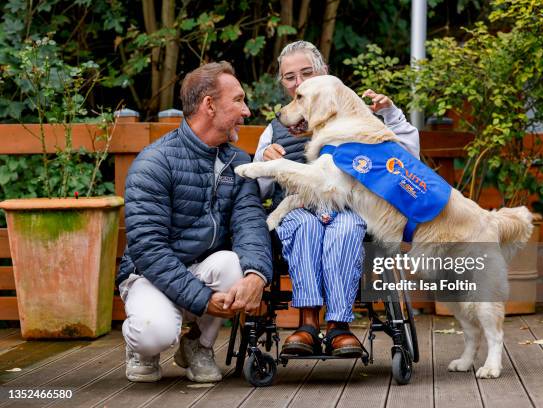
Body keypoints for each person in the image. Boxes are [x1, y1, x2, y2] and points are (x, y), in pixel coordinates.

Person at [254, 41, 420, 357]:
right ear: (283, 84)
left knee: (345, 227)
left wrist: (392, 116)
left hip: (350, 210)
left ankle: (339, 326)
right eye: (290, 77)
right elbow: (258, 191)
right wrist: (264, 159)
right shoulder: (276, 128)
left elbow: (407, 161)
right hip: (297, 210)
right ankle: (307, 323)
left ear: (325, 74)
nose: (299, 82)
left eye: (307, 73)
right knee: (304, 225)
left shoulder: (357, 117)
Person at [117, 61, 272, 384]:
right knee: (153, 333)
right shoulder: (154, 163)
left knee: (232, 263)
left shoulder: (238, 163)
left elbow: (251, 224)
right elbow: (148, 250)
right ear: (209, 106)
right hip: (149, 275)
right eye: (239, 100)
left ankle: (197, 345)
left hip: (203, 269)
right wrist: (203, 300)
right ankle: (142, 351)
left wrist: (257, 275)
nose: (246, 111)